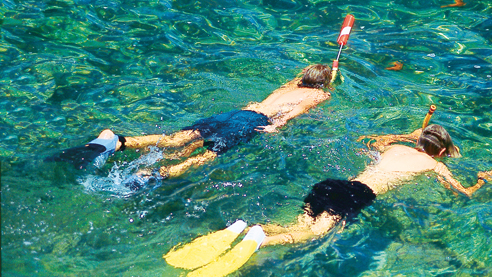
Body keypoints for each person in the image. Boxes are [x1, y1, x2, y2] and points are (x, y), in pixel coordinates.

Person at [47, 64, 333, 178]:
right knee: (210, 154)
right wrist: (277, 126)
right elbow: (295, 112)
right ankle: (160, 175)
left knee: (178, 139)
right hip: (252, 121)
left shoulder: (289, 86)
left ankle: (117, 141)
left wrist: (319, 74)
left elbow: (301, 80)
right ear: (322, 85)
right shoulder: (319, 96)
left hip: (235, 112)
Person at [257, 124, 492, 246]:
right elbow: (463, 193)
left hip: (334, 185)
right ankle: (259, 243)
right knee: (312, 234)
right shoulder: (435, 166)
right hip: (355, 196)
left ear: (418, 141)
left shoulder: (395, 147)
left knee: (297, 225)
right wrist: (481, 180)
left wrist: (406, 136)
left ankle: (254, 230)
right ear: (442, 151)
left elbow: (373, 140)